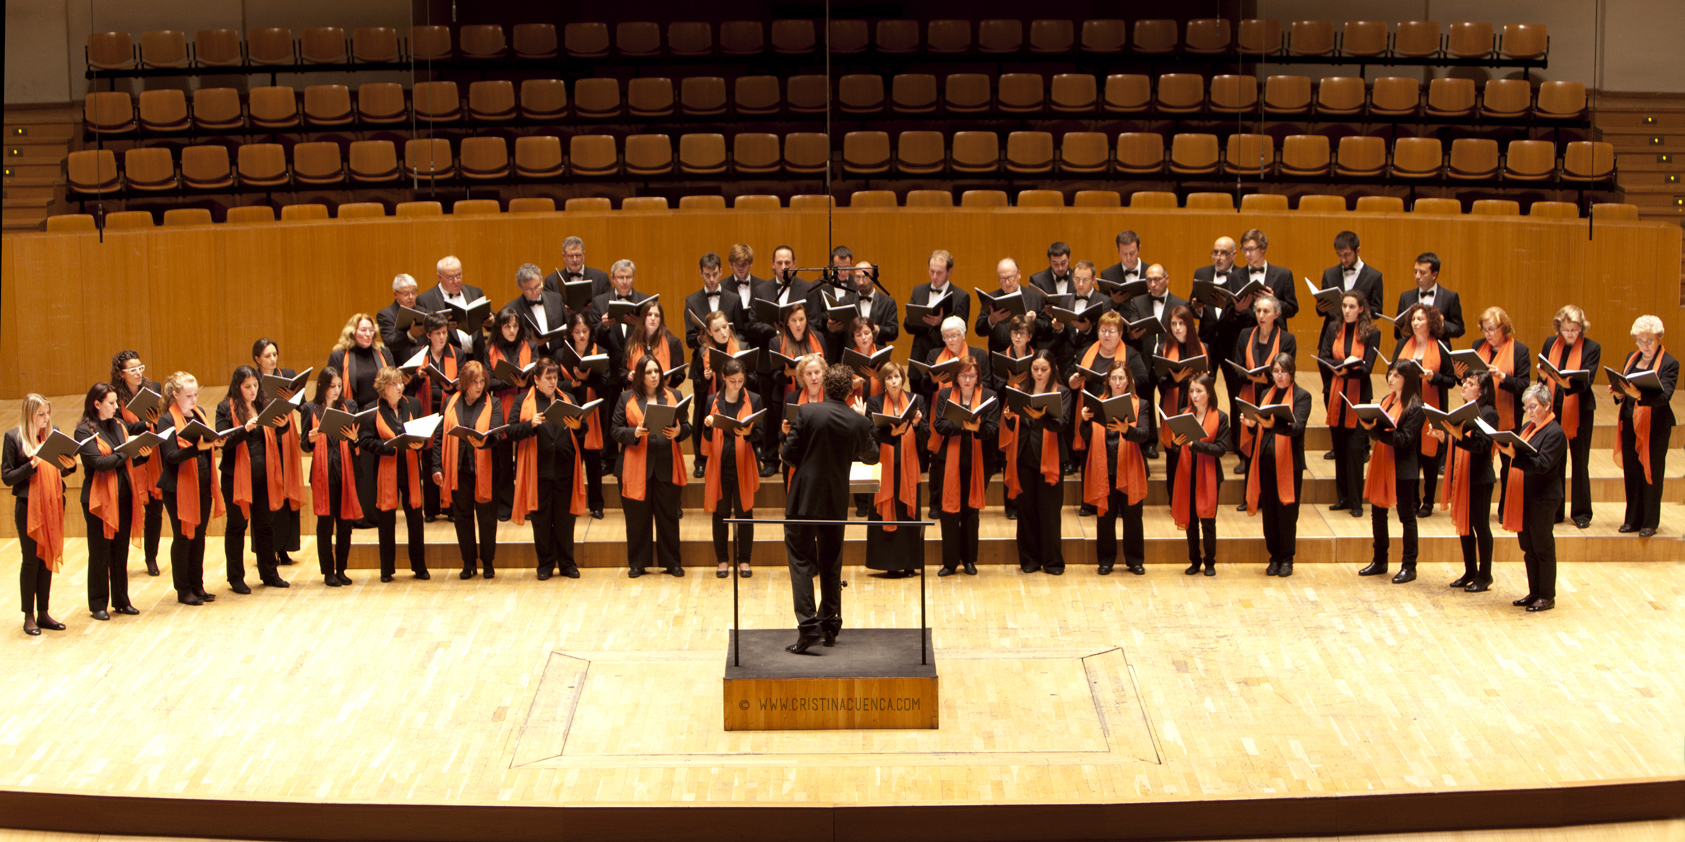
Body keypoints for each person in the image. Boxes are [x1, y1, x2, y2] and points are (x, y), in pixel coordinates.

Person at [781, 363, 878, 654]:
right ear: (851, 391)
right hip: (835, 501)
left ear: (824, 385)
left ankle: (809, 626)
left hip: (803, 498)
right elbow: (872, 456)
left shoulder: (807, 413)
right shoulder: (857, 421)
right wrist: (862, 422)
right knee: (831, 561)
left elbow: (788, 456)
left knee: (799, 560)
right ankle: (830, 625)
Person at [508, 358, 587, 580]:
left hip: (565, 466)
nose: (553, 382)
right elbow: (511, 431)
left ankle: (567, 563)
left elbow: (583, 427)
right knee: (542, 519)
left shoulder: (567, 398)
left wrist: (579, 425)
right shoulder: (522, 401)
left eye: (555, 378)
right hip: (538, 469)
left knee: (565, 519)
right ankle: (545, 564)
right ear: (536, 380)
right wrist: (530, 425)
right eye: (548, 378)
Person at [613, 356, 691, 577]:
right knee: (638, 518)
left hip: (667, 463)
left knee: (668, 516)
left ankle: (672, 562)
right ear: (640, 375)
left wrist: (678, 432)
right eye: (648, 372)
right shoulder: (626, 397)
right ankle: (638, 563)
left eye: (656, 371)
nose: (654, 375)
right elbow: (615, 430)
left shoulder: (674, 395)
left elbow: (687, 426)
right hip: (636, 466)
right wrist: (634, 433)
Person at [5, 394, 76, 634]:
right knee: (31, 560)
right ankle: (29, 615)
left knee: (47, 560)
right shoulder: (13, 437)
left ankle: (44, 612)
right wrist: (31, 465)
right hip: (28, 507)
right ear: (29, 414)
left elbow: (61, 470)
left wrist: (70, 465)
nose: (46, 419)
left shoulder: (53, 432)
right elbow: (7, 477)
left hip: (53, 503)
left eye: (48, 413)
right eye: (41, 414)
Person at [216, 366, 291, 592]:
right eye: (247, 387)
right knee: (237, 526)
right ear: (237, 387)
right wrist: (244, 429)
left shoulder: (263, 403)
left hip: (264, 475)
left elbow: (279, 432)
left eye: (255, 386)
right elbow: (223, 441)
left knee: (265, 525)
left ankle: (269, 573)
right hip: (236, 476)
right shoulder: (224, 408)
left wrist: (283, 424)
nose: (252, 390)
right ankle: (236, 577)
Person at [76, 383, 145, 620]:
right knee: (100, 551)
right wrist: (128, 451)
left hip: (123, 496)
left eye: (116, 402)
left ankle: (121, 601)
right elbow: (100, 463)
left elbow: (123, 461)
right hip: (98, 500)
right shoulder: (84, 431)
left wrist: (140, 452)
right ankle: (97, 604)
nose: (117, 407)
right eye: (111, 403)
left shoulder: (118, 425)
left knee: (119, 551)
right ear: (96, 403)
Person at [1500, 384, 1569, 612]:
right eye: (1526, 407)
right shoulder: (1527, 428)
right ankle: (1534, 592)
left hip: (1544, 497)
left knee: (1542, 547)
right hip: (1525, 495)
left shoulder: (1556, 433)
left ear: (1547, 406)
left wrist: (1515, 456)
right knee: (1528, 547)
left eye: (1533, 406)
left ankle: (1547, 596)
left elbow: (1542, 465)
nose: (1529, 411)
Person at [432, 360, 503, 579]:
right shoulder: (450, 402)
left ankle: (488, 562)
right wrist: (436, 465)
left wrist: (484, 440)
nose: (479, 386)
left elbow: (497, 433)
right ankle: (468, 562)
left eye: (482, 381)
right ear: (465, 382)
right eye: (474, 382)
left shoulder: (493, 403)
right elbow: (438, 437)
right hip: (458, 468)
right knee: (463, 517)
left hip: (485, 469)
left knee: (487, 518)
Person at [158, 371, 225, 605]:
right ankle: (183, 589)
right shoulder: (166, 420)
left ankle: (197, 585)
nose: (194, 399)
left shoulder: (200, 414)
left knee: (199, 537)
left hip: (203, 483)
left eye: (196, 393)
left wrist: (215, 442)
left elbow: (205, 447)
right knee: (183, 537)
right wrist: (198, 447)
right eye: (188, 395)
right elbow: (171, 456)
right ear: (175, 395)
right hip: (178, 487)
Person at [1002, 351, 1071, 574]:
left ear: (1052, 370)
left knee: (1050, 511)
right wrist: (1008, 418)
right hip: (1024, 455)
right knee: (1026, 510)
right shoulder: (1022, 391)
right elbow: (1016, 427)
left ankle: (1052, 561)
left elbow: (1061, 424)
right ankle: (1030, 560)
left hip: (1050, 457)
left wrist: (1043, 417)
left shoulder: (1062, 392)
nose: (1039, 373)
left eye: (1044, 369)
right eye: (1035, 369)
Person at [1242, 354, 1311, 577]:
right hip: (1266, 461)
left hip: (1290, 463)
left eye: (1283, 371)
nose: (1279, 376)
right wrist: (1253, 425)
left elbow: (1297, 428)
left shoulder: (1302, 396)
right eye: (1276, 372)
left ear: (1292, 373)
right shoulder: (1265, 394)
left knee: (1287, 511)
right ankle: (1273, 557)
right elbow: (1261, 429)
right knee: (1270, 512)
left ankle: (1287, 558)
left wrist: (1272, 424)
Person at [931, 355, 1000, 577]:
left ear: (978, 377)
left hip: (979, 458)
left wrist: (977, 427)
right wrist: (963, 426)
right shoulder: (944, 395)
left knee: (971, 511)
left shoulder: (989, 396)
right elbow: (939, 424)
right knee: (949, 512)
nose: (968, 379)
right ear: (957, 377)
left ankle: (969, 560)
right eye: (963, 375)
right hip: (949, 459)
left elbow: (992, 429)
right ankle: (950, 562)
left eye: (972, 375)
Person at [1082, 361, 1151, 575]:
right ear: (1108, 381)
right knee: (1105, 517)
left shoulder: (1142, 404)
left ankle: (1135, 560)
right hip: (1104, 468)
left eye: (1122, 378)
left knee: (1132, 517)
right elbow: (1085, 436)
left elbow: (1145, 435)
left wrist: (1126, 429)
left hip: (1129, 467)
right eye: (1114, 378)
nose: (1118, 382)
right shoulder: (1098, 403)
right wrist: (1084, 421)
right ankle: (1105, 560)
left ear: (1128, 381)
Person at [1433, 372, 1499, 592]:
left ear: (1482, 391)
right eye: (1465, 382)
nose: (1464, 385)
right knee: (1465, 526)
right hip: (1463, 475)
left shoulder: (1489, 413)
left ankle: (1485, 575)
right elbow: (1458, 442)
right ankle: (1470, 571)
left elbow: (1481, 446)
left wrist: (1457, 435)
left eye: (1471, 384)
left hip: (1480, 478)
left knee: (1481, 527)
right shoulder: (1464, 411)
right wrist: (1445, 437)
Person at [327, 313, 396, 523]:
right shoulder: (340, 356)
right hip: (355, 416)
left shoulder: (383, 352)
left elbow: (393, 378)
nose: (367, 334)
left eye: (370, 330)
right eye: (362, 330)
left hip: (380, 415)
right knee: (361, 468)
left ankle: (379, 513)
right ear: (352, 332)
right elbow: (334, 386)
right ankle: (358, 515)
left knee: (378, 466)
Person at [363, 366, 429, 582]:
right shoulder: (371, 409)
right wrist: (388, 445)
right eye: (394, 384)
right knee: (386, 520)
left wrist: (420, 443)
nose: (400, 387)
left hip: (409, 467)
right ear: (383, 388)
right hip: (386, 471)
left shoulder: (414, 404)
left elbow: (422, 435)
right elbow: (365, 441)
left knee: (415, 520)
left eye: (401, 382)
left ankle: (419, 567)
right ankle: (386, 569)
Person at [1612, 315, 1677, 538]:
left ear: (1659, 338)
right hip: (1630, 422)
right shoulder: (1632, 358)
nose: (1644, 346)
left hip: (1656, 427)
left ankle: (1649, 521)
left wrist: (1638, 394)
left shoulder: (1669, 363)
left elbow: (1664, 396)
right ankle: (1632, 519)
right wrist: (1620, 393)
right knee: (1631, 471)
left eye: (1649, 340)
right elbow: (1624, 389)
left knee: (1651, 473)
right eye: (1640, 340)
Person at [1359, 365, 1424, 584]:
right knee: (1378, 512)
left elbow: (1404, 440)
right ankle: (1380, 560)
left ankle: (1409, 566)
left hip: (1402, 467)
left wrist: (1374, 430)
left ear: (1408, 379)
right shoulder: (1387, 399)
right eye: (1390, 374)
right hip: (1382, 462)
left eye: (1397, 375)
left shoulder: (1416, 407)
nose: (1390, 378)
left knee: (1406, 517)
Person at [1539, 305, 1600, 528]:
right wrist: (1542, 376)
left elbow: (1587, 381)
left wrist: (1568, 384)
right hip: (1554, 409)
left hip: (1579, 409)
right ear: (1559, 328)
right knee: (1556, 460)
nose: (1570, 334)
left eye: (1574, 329)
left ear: (1582, 328)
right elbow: (1542, 378)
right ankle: (1556, 510)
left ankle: (1582, 512)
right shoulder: (1550, 343)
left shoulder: (1592, 347)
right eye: (1566, 330)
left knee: (1580, 461)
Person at [701, 359, 763, 578]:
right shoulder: (712, 400)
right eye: (732, 381)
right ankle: (723, 560)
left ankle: (744, 560)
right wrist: (708, 425)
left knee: (745, 512)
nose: (737, 385)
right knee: (720, 514)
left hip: (744, 463)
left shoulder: (753, 399)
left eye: (740, 380)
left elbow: (761, 433)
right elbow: (706, 436)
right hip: (720, 465)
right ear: (723, 378)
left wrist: (748, 434)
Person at [1320, 293, 1381, 518]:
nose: (1346, 310)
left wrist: (1346, 369)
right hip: (1336, 394)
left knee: (1355, 450)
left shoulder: (1373, 333)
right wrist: (1342, 365)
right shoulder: (1333, 328)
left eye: (1352, 306)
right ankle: (1343, 497)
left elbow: (1368, 367)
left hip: (1359, 396)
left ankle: (1357, 501)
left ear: (1362, 308)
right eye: (1344, 306)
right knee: (1340, 447)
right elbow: (1324, 357)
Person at [301, 367, 363, 587]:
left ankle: (342, 569)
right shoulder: (310, 409)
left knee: (345, 523)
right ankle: (328, 571)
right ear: (322, 387)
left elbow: (357, 441)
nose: (337, 390)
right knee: (325, 525)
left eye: (339, 386)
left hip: (345, 471)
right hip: (323, 473)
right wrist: (310, 439)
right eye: (332, 386)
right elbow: (304, 445)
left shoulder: (350, 406)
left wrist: (355, 439)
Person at [1394, 302, 1455, 518]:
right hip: (1408, 408)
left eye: (1420, 319)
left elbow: (1451, 380)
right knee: (1410, 455)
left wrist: (1434, 377)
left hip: (1431, 407)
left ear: (1430, 322)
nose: (1416, 322)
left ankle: (1428, 501)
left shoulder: (1441, 347)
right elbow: (1393, 371)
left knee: (1429, 458)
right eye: (1413, 319)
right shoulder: (1403, 344)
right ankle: (1412, 499)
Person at [865, 361, 926, 579]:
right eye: (889, 377)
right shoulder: (874, 402)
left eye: (897, 377)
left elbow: (926, 437)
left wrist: (918, 425)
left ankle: (909, 563)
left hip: (909, 466)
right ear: (883, 382)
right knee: (886, 510)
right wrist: (891, 434)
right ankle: (889, 562)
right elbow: (871, 433)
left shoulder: (915, 400)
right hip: (884, 466)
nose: (894, 381)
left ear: (903, 379)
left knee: (907, 514)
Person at [686, 256, 744, 477]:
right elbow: (689, 338)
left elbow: (739, 328)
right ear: (701, 273)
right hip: (705, 359)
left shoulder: (732, 298)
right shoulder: (692, 300)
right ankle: (701, 459)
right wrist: (704, 338)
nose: (711, 279)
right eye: (706, 275)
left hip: (732, 355)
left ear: (721, 272)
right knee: (701, 411)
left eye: (714, 274)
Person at [1231, 294, 1298, 484]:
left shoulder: (1287, 339)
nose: (1261, 315)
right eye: (1258, 310)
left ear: (1276, 314)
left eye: (1266, 311)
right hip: (1249, 394)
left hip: (1273, 396)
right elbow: (1237, 367)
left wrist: (1263, 377)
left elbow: (1287, 369)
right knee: (1250, 441)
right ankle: (1249, 496)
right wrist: (1254, 376)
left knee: (1267, 444)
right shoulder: (1245, 334)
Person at [110, 350, 165, 576]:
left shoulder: (154, 389)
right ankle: (117, 561)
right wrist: (145, 423)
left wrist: (156, 422)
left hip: (153, 456)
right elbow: (118, 427)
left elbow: (164, 420)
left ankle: (151, 558)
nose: (138, 373)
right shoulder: (114, 396)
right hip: (131, 458)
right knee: (127, 510)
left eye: (140, 367)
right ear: (121, 374)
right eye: (132, 370)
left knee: (155, 510)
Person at [252, 337, 305, 566]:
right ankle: (267, 548)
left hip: (286, 436)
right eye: (267, 356)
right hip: (264, 439)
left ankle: (284, 547)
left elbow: (302, 406)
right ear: (257, 359)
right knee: (267, 494)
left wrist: (293, 398)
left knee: (285, 490)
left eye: (275, 354)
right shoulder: (251, 379)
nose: (272, 359)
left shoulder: (287, 374)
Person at [1169, 373, 1227, 576]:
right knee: (1190, 520)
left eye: (1199, 391)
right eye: (1192, 391)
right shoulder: (1183, 413)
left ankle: (1210, 562)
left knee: (1208, 521)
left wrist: (1196, 445)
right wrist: (1175, 445)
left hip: (1209, 474)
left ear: (1209, 393)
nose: (1194, 395)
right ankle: (1194, 560)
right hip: (1187, 473)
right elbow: (1176, 447)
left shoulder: (1221, 417)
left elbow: (1221, 449)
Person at [481, 306, 535, 522]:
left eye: (515, 326)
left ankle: (528, 503)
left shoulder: (530, 346)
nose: (512, 330)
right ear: (499, 328)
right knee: (503, 460)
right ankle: (505, 504)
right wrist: (510, 381)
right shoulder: (490, 350)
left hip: (527, 405)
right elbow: (487, 381)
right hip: (502, 405)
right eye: (507, 326)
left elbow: (538, 374)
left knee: (526, 457)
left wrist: (526, 381)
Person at [762, 303, 826, 477]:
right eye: (793, 320)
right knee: (789, 434)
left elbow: (826, 369)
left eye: (801, 319)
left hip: (816, 395)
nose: (798, 324)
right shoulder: (776, 341)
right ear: (787, 323)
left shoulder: (818, 337)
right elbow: (773, 376)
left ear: (806, 321)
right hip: (786, 396)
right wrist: (789, 373)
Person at [410, 314, 461, 522]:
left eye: (444, 333)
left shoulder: (456, 353)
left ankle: (449, 508)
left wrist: (454, 386)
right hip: (426, 409)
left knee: (448, 456)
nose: (442, 337)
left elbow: (463, 382)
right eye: (438, 333)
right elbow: (407, 386)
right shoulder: (418, 354)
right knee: (429, 457)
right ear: (428, 335)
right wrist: (417, 377)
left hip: (449, 409)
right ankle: (431, 509)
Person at [904, 250, 972, 404]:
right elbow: (907, 327)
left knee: (942, 408)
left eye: (939, 272)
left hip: (945, 363)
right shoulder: (918, 290)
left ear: (949, 271)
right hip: (919, 362)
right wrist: (918, 319)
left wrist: (940, 323)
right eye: (931, 271)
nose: (934, 276)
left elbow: (962, 331)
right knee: (918, 409)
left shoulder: (961, 296)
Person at [560, 312, 607, 519]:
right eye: (577, 332)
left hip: (593, 412)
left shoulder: (600, 352)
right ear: (571, 332)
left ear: (590, 331)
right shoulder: (561, 354)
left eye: (585, 331)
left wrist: (588, 378)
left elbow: (606, 385)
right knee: (571, 459)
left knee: (594, 461)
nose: (581, 336)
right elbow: (555, 384)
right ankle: (572, 503)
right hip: (570, 410)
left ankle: (596, 504)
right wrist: (571, 383)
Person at [975, 257, 1051, 355]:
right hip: (999, 357)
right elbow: (979, 330)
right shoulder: (991, 298)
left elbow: (1048, 328)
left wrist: (1034, 321)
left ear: (1019, 274)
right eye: (1002, 279)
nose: (1007, 282)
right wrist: (992, 320)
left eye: (1010, 277)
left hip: (1029, 356)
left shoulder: (1034, 297)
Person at [1157, 306, 1207, 456]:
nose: (1177, 328)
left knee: (1195, 452)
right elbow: (1160, 382)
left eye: (1181, 323)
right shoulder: (1162, 349)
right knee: (1174, 453)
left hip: (1196, 405)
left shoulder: (1203, 348)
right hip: (1172, 404)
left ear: (1189, 325)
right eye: (1173, 324)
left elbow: (1212, 379)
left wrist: (1203, 379)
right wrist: (1176, 380)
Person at [416, 255, 490, 355]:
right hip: (448, 359)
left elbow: (492, 321)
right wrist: (442, 326)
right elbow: (423, 335)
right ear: (439, 276)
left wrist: (491, 322)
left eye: (458, 275)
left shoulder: (475, 292)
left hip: (476, 357)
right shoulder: (425, 300)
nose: (456, 281)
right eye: (450, 278)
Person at [1395, 252, 1465, 340]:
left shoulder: (1450, 297)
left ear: (1434, 275)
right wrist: (1403, 331)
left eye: (1422, 273)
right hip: (1413, 350)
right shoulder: (1405, 297)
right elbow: (1397, 334)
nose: (1417, 276)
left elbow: (1459, 329)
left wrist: (1441, 323)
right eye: (1415, 271)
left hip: (1438, 350)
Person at [505, 263, 568, 357]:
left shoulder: (556, 299)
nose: (535, 292)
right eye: (529, 290)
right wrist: (531, 343)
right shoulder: (512, 309)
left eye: (537, 286)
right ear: (520, 287)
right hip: (533, 362)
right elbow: (509, 345)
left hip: (559, 360)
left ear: (541, 280)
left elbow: (568, 325)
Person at [376, 273, 426, 377]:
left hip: (424, 368)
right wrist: (410, 335)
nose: (411, 297)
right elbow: (390, 342)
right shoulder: (385, 315)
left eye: (414, 292)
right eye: (406, 294)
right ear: (395, 294)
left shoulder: (423, 312)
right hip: (401, 371)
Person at [544, 235, 613, 303]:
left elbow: (607, 305)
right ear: (563, 256)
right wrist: (561, 309)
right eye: (570, 256)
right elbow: (548, 309)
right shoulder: (551, 281)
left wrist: (594, 307)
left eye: (578, 255)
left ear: (583, 254)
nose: (575, 260)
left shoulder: (601, 278)